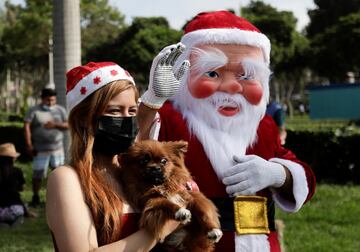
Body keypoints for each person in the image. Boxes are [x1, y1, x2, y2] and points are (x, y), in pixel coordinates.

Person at [137, 10, 316, 252]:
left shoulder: (263, 127)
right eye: (212, 73)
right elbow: (132, 151)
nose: (232, 86)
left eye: (245, 75)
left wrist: (278, 173)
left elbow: (304, 177)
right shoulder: (170, 119)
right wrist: (151, 102)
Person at [46, 62, 180, 251]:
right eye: (114, 111)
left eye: (131, 111)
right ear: (84, 119)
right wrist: (159, 228)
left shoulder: (134, 172)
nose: (126, 120)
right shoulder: (67, 178)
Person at [24, 87, 68, 207]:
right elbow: (27, 126)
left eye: (53, 100)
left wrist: (55, 124)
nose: (50, 103)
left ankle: (59, 198)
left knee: (58, 173)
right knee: (37, 174)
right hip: (40, 149)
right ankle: (36, 197)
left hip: (57, 149)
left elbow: (68, 125)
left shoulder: (60, 110)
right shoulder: (34, 110)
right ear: (42, 99)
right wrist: (29, 144)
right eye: (48, 100)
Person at [0, 143, 37, 227]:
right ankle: (14, 222)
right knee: (18, 214)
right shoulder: (17, 171)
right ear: (13, 158)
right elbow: (21, 189)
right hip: (14, 210)